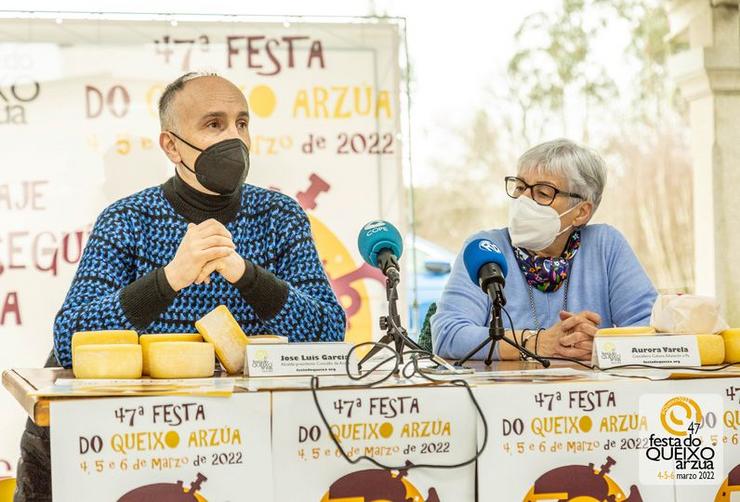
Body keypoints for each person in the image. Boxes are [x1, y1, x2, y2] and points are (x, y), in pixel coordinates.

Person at [13, 72, 345, 501]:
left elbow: (328, 330)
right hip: (134, 439)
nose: (234, 137)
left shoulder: (280, 216)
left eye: (241, 123)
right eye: (214, 124)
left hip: (244, 440)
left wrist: (246, 274)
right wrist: (170, 278)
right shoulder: (127, 218)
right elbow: (71, 336)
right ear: (171, 145)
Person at [432, 138, 657, 362]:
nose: (523, 200)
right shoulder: (485, 248)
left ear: (581, 212)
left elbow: (653, 327)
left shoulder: (606, 245)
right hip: (505, 394)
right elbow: (447, 335)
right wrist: (536, 342)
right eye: (520, 187)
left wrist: (603, 345)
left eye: (542, 193)